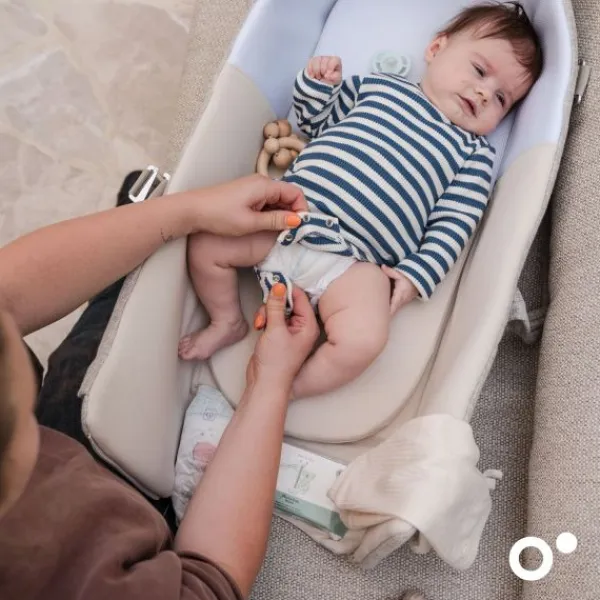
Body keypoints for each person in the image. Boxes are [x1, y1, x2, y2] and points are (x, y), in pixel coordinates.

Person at [178, 2, 543, 400]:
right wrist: (317, 87)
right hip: (290, 219)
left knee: (365, 340)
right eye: (479, 71)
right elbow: (315, 123)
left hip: (355, 263)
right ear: (436, 49)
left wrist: (416, 275)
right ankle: (227, 320)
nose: (484, 93)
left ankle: (287, 389)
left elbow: (455, 224)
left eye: (502, 98)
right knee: (206, 242)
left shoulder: (474, 154)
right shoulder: (379, 87)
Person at [0, 173, 320, 600]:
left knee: (112, 306)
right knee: (112, 313)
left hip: (63, 447)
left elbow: (7, 293)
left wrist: (183, 212)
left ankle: (133, 221)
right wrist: (271, 382)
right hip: (130, 524)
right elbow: (211, 580)